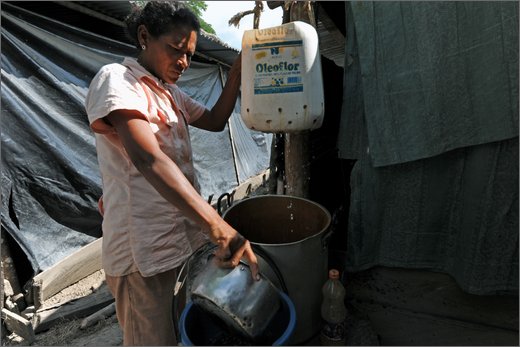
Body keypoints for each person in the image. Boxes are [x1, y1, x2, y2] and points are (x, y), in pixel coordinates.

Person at [84, 2, 259, 345]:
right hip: (143, 253)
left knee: (179, 331)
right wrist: (220, 228)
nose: (183, 62)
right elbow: (148, 159)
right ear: (145, 37)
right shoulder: (117, 80)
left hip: (179, 244)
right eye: (176, 49)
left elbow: (215, 120)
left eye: (189, 55)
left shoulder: (170, 93)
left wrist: (237, 72)